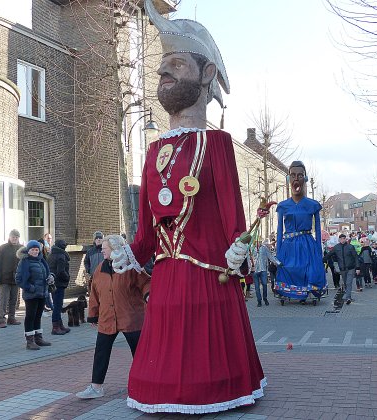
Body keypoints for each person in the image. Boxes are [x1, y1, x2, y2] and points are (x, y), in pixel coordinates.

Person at [109, 0, 266, 414]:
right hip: (167, 283)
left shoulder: (218, 144)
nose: (163, 73)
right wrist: (129, 251)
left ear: (207, 74)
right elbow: (146, 232)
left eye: (176, 65)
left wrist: (238, 245)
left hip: (208, 279)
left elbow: (234, 213)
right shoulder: (153, 150)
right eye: (164, 66)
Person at [76, 235, 150, 399]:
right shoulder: (99, 269)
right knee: (101, 352)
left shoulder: (130, 266)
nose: (102, 250)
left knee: (139, 354)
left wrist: (148, 295)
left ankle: (146, 385)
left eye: (105, 248)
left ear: (116, 248)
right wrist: (93, 315)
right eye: (102, 248)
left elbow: (146, 282)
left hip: (131, 318)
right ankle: (96, 387)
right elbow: (94, 293)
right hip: (107, 318)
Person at [275, 161, 326, 302]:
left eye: (300, 175)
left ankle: (310, 291)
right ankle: (289, 292)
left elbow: (317, 230)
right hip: (289, 245)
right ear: (288, 179)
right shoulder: (283, 206)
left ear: (305, 178)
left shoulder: (313, 205)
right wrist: (278, 252)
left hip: (307, 244)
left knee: (310, 268)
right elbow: (279, 230)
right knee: (288, 268)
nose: (296, 178)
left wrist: (318, 250)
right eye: (292, 175)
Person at [15, 240, 53, 350]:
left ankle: (38, 338)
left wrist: (51, 277)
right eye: (33, 250)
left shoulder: (41, 260)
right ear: (28, 250)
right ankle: (30, 341)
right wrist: (30, 288)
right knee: (30, 317)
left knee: (38, 316)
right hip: (31, 295)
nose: (35, 251)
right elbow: (19, 279)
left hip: (42, 293)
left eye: (37, 249)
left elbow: (47, 273)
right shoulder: (24, 262)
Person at [0, 229, 23, 328]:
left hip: (16, 279)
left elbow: (24, 264)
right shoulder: (3, 248)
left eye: (16, 237)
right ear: (9, 237)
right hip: (4, 279)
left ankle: (12, 318)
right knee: (3, 300)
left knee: (14, 300)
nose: (14, 239)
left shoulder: (22, 248)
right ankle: (2, 319)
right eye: (13, 237)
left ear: (18, 238)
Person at [323, 234, 361, 305]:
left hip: (351, 268)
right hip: (342, 269)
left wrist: (358, 268)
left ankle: (348, 298)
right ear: (339, 240)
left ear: (346, 239)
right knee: (346, 283)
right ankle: (348, 295)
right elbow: (329, 255)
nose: (343, 240)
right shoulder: (336, 247)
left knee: (348, 283)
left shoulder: (350, 247)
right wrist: (321, 261)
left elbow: (356, 257)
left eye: (344, 238)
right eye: (341, 239)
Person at [47, 239, 71, 335]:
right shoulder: (61, 255)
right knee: (58, 306)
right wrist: (67, 277)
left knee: (57, 304)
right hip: (59, 283)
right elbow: (61, 271)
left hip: (53, 283)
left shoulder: (51, 254)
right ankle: (56, 327)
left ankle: (60, 325)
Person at [252, 239, 281, 307]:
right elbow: (248, 258)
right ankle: (259, 301)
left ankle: (265, 298)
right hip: (255, 270)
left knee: (265, 285)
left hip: (263, 270)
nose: (258, 243)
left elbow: (270, 256)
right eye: (257, 242)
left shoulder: (264, 248)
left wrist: (278, 263)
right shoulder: (252, 249)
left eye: (259, 241)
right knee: (257, 287)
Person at [84, 231, 104, 296]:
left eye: (100, 238)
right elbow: (86, 262)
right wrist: (88, 270)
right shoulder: (90, 251)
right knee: (94, 295)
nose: (98, 239)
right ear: (94, 240)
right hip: (93, 276)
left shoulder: (105, 249)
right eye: (97, 238)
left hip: (104, 276)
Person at [38, 233, 53, 312]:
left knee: (48, 290)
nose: (49, 240)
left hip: (48, 271)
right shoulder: (41, 250)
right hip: (42, 273)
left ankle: (48, 305)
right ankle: (48, 305)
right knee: (45, 290)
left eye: (50, 238)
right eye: (48, 238)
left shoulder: (50, 249)